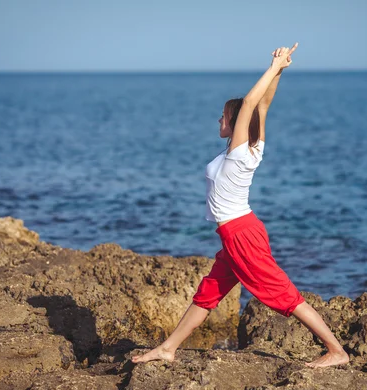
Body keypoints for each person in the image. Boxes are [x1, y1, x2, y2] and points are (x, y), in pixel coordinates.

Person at [132, 44, 349, 368]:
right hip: (236, 235)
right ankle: (168, 348)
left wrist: (273, 66)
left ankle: (336, 351)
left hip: (241, 235)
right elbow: (263, 105)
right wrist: (279, 71)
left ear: (233, 122)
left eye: (223, 116)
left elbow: (251, 103)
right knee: (208, 293)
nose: (218, 119)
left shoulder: (238, 154)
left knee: (284, 295)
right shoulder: (250, 148)